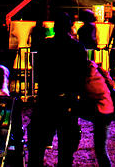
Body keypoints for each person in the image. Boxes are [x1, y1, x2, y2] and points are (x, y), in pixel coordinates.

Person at [27, 10, 89, 167]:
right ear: (69, 27)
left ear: (55, 27)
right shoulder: (77, 47)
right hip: (67, 100)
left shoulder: (45, 46)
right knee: (66, 149)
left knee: (37, 145)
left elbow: (38, 71)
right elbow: (82, 74)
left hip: (46, 98)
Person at [81, 59, 115, 167]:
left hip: (101, 111)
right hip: (107, 109)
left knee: (100, 147)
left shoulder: (87, 77)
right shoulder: (97, 70)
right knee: (101, 146)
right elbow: (112, 84)